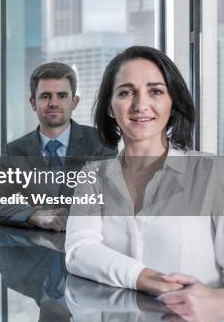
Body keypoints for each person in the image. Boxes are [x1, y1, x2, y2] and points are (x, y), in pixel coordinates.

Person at [65, 46, 224, 297]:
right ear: (109, 106)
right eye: (126, 92)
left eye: (156, 91)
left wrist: (215, 302)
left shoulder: (213, 174)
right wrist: (147, 278)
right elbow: (79, 250)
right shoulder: (93, 176)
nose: (141, 105)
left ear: (172, 104)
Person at [0, 62, 117, 230]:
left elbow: (114, 204)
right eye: (45, 96)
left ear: (74, 102)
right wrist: (33, 215)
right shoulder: (16, 151)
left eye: (62, 95)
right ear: (33, 103)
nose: (53, 103)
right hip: (39, 247)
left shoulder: (100, 144)